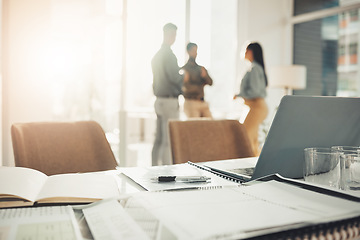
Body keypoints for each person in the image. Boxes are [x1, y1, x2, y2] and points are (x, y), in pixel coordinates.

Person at [151, 23, 186, 166]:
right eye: (175, 35)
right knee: (168, 140)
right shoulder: (170, 56)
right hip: (169, 102)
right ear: (170, 34)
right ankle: (166, 172)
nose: (175, 38)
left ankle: (153, 168)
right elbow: (174, 78)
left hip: (158, 101)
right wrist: (184, 76)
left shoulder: (156, 56)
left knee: (158, 139)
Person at [233, 42, 268, 156]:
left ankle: (246, 164)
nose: (244, 53)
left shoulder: (254, 69)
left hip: (256, 106)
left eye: (246, 50)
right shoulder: (255, 68)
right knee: (252, 140)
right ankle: (254, 165)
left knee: (244, 137)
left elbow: (255, 91)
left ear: (251, 52)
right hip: (255, 106)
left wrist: (239, 95)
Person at [182, 42, 213, 118]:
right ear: (188, 52)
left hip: (202, 102)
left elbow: (210, 82)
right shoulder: (184, 69)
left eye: (196, 51)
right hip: (191, 102)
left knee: (211, 124)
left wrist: (205, 76)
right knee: (195, 126)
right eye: (193, 50)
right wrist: (200, 85)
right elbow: (187, 88)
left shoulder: (201, 68)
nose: (195, 53)